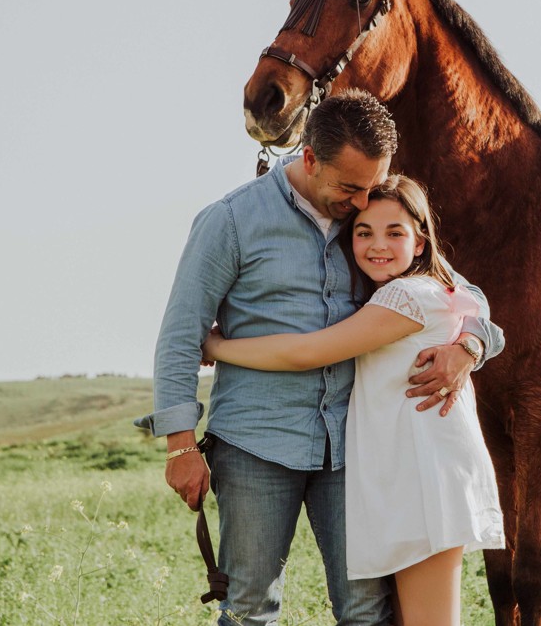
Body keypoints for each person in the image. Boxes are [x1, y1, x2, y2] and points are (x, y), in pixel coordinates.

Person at [134, 89, 504, 626]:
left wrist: (469, 347)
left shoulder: (375, 224)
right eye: (349, 188)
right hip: (255, 443)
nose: (361, 203)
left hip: (353, 450)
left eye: (371, 187)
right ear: (309, 158)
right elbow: (178, 335)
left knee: (366, 610)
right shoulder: (231, 221)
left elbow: (464, 296)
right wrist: (179, 445)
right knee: (251, 609)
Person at [202, 175, 505, 625]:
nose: (377, 245)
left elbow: (304, 352)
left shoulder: (406, 295)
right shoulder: (410, 290)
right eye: (364, 232)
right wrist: (470, 342)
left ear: (421, 243)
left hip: (423, 480)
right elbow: (475, 307)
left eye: (395, 233)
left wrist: (215, 348)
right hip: (407, 477)